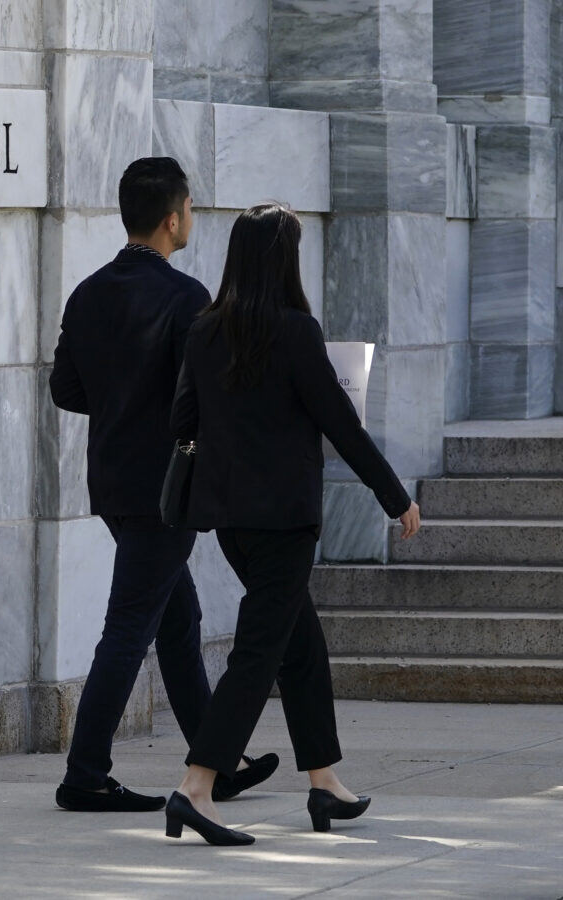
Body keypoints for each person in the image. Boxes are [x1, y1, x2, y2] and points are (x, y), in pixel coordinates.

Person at [164, 202, 422, 846]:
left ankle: (324, 781)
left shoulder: (204, 330)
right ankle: (196, 787)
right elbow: (342, 426)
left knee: (300, 646)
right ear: (284, 259)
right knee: (259, 652)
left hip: (230, 519)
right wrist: (395, 497)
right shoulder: (296, 332)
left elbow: (183, 422)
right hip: (284, 519)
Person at [49, 157, 277, 813]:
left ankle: (218, 761)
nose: (191, 218)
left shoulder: (88, 293)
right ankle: (85, 774)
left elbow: (66, 388)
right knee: (129, 628)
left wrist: (121, 402)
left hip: (113, 482)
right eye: (191, 208)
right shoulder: (185, 296)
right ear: (173, 219)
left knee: (178, 620)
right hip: (167, 489)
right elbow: (210, 396)